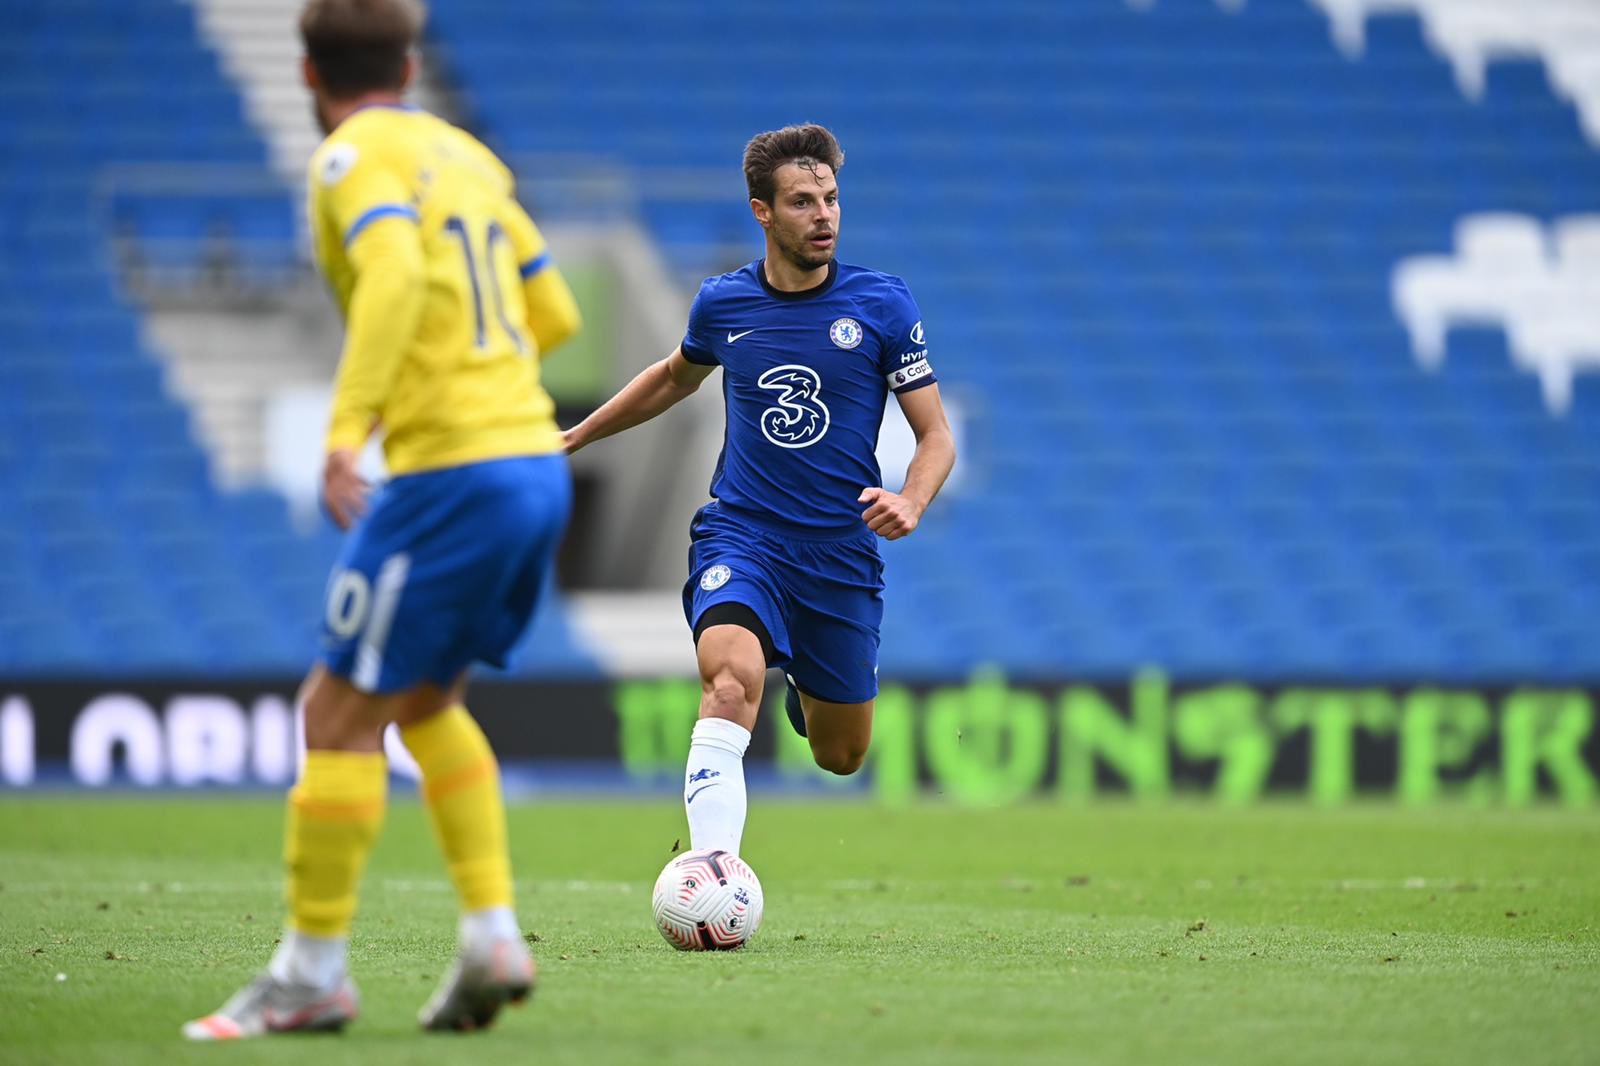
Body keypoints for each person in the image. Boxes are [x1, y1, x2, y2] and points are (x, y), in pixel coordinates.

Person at [184, 0, 581, 1039]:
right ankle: (492, 933)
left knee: (332, 716)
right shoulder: (467, 158)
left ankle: (311, 973)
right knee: (420, 701)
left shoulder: (349, 158)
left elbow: (398, 270)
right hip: (536, 462)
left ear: (310, 76)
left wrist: (347, 426)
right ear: (409, 66)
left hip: (450, 472)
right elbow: (557, 315)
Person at [565, 123, 955, 859]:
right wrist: (576, 436)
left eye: (832, 199)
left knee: (841, 755)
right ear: (762, 212)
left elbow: (936, 435)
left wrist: (910, 499)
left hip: (839, 553)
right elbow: (672, 377)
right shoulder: (723, 306)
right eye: (804, 202)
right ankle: (714, 869)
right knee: (731, 679)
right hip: (743, 535)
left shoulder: (883, 306)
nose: (825, 216)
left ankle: (808, 679)